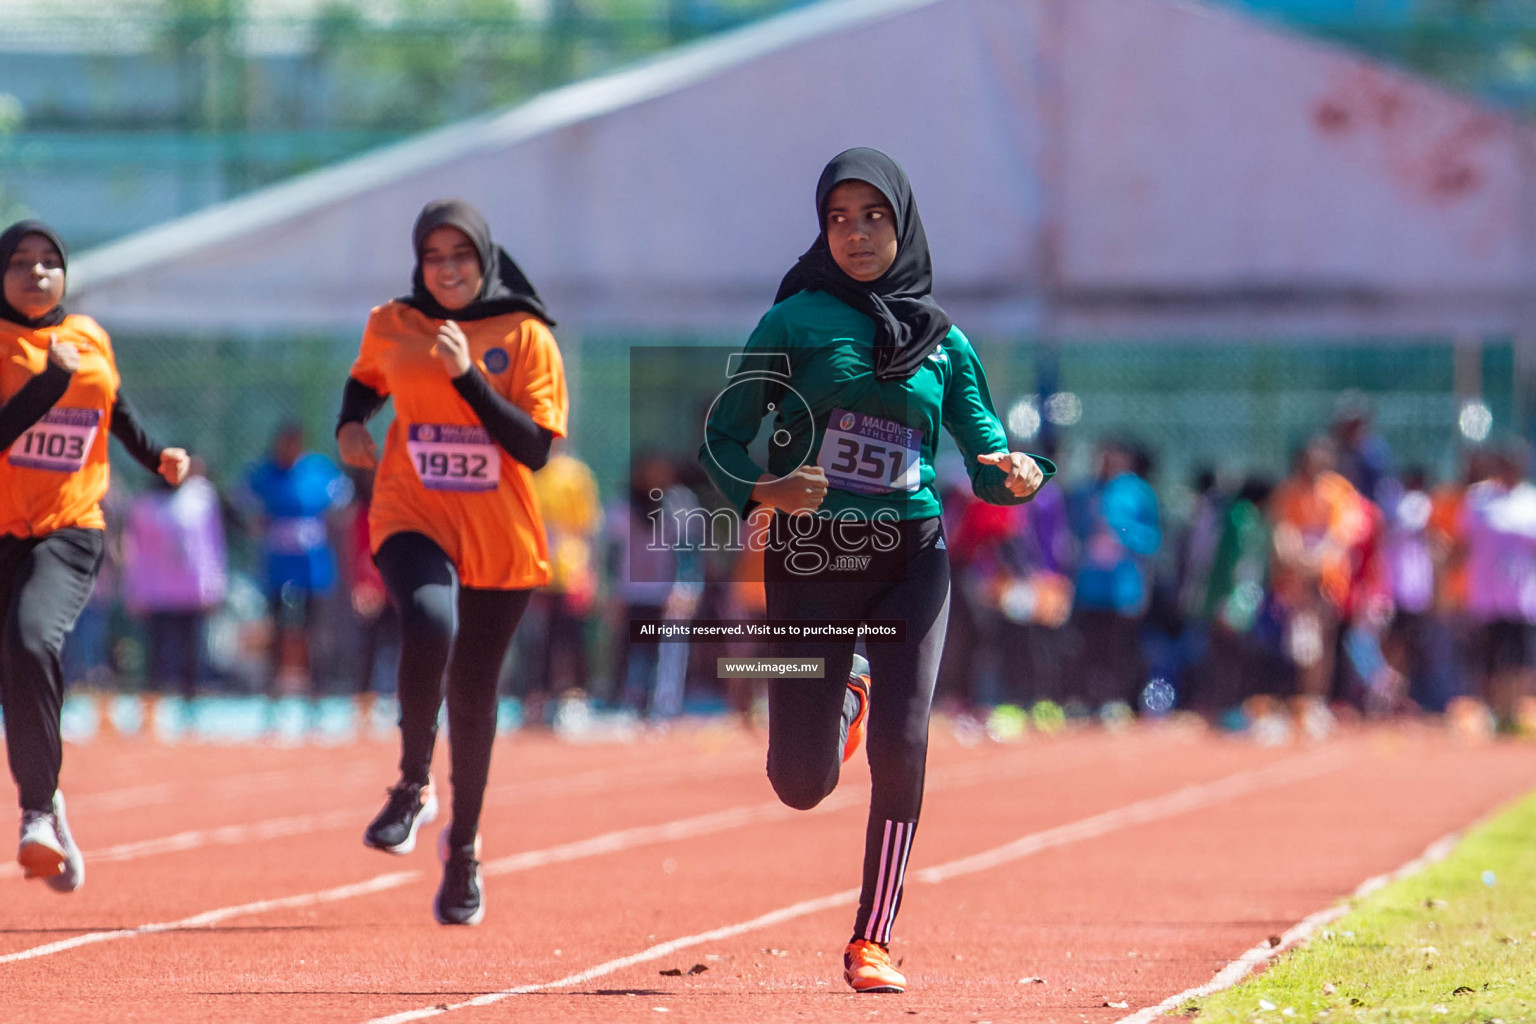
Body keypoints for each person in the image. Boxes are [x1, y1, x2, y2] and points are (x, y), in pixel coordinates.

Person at [699, 149, 1052, 994]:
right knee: (799, 782)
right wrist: (768, 487)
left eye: (875, 216)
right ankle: (841, 697)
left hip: (912, 557)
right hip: (811, 562)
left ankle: (873, 938)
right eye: (839, 217)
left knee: (904, 744)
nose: (858, 233)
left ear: (904, 222)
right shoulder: (794, 323)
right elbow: (721, 437)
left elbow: (986, 444)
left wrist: (1017, 471)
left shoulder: (945, 343)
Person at [335, 199, 567, 926]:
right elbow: (369, 379)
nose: (447, 269)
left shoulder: (525, 334)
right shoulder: (394, 322)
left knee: (472, 695)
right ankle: (410, 785)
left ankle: (462, 848)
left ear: (484, 258)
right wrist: (350, 423)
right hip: (412, 511)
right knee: (429, 620)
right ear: (419, 264)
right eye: (434, 257)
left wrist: (468, 377)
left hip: (498, 534)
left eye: (460, 255)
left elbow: (534, 447)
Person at [0, 219, 189, 891]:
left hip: (69, 529)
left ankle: (35, 817)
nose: (37, 272)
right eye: (20, 261)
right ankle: (48, 796)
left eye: (50, 260)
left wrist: (154, 455)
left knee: (30, 643)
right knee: (13, 675)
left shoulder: (88, 336)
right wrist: (47, 385)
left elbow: (115, 405)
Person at [243, 423, 349, 701]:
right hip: (278, 566)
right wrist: (257, 522)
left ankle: (318, 690)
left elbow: (343, 500)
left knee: (315, 630)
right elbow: (242, 499)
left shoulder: (318, 470)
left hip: (313, 566)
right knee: (277, 627)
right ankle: (272, 689)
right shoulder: (264, 473)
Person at [123, 458, 228, 704]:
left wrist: (215, 583)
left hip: (192, 589)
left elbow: (213, 543)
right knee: (159, 652)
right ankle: (155, 707)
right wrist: (135, 589)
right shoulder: (144, 505)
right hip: (157, 592)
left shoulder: (202, 498)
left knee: (192, 651)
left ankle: (191, 707)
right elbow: (136, 551)